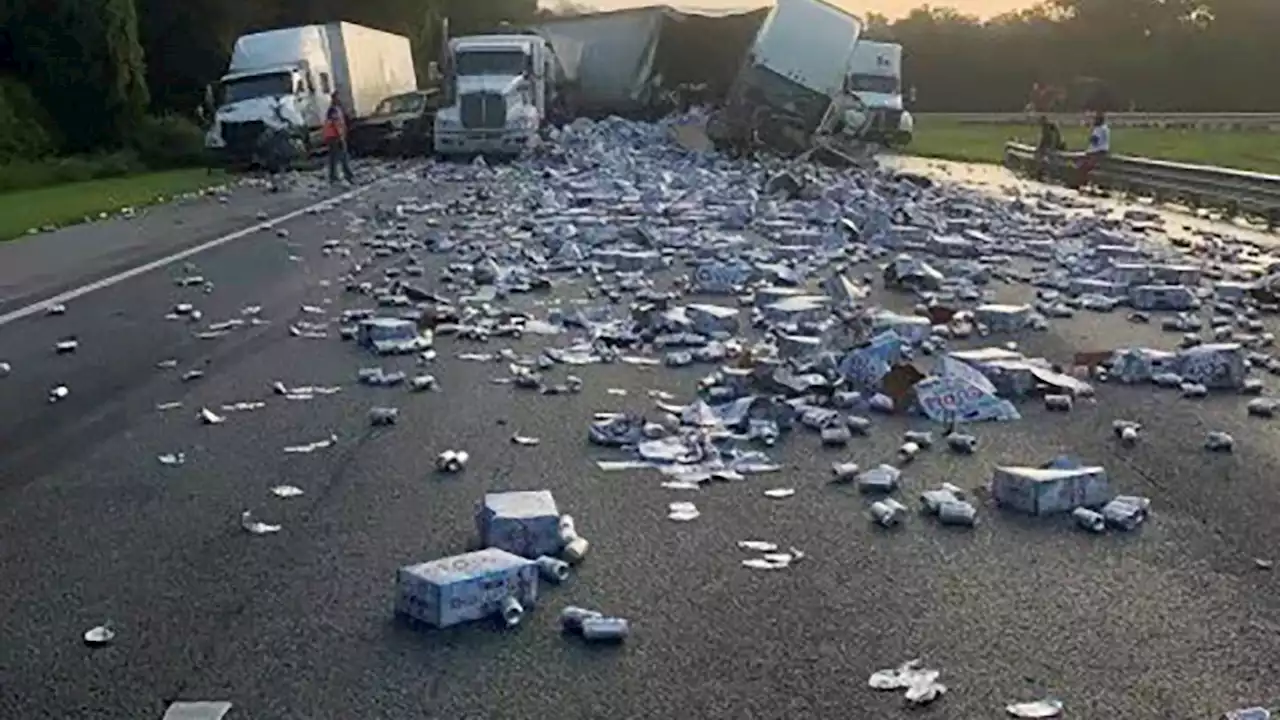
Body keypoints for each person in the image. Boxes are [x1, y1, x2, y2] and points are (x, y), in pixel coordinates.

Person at [323, 92, 355, 185]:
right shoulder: (334, 110)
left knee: (334, 158)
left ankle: (333, 177)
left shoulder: (333, 109)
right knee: (343, 156)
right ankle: (348, 175)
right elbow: (337, 124)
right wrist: (341, 137)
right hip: (335, 137)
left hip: (332, 136)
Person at [1075, 111, 1110, 189]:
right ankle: (1082, 182)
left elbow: (1094, 140)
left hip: (1097, 152)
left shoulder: (1100, 129)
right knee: (1081, 164)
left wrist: (1090, 132)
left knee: (1083, 167)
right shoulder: (1104, 128)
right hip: (1097, 151)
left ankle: (1082, 183)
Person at [1033, 115, 1064, 181]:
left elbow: (1055, 138)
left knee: (1051, 159)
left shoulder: (1050, 127)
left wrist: (1052, 147)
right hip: (1048, 147)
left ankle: (1054, 174)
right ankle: (1041, 173)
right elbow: (1043, 139)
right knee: (1042, 159)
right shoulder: (1044, 128)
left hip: (1053, 147)